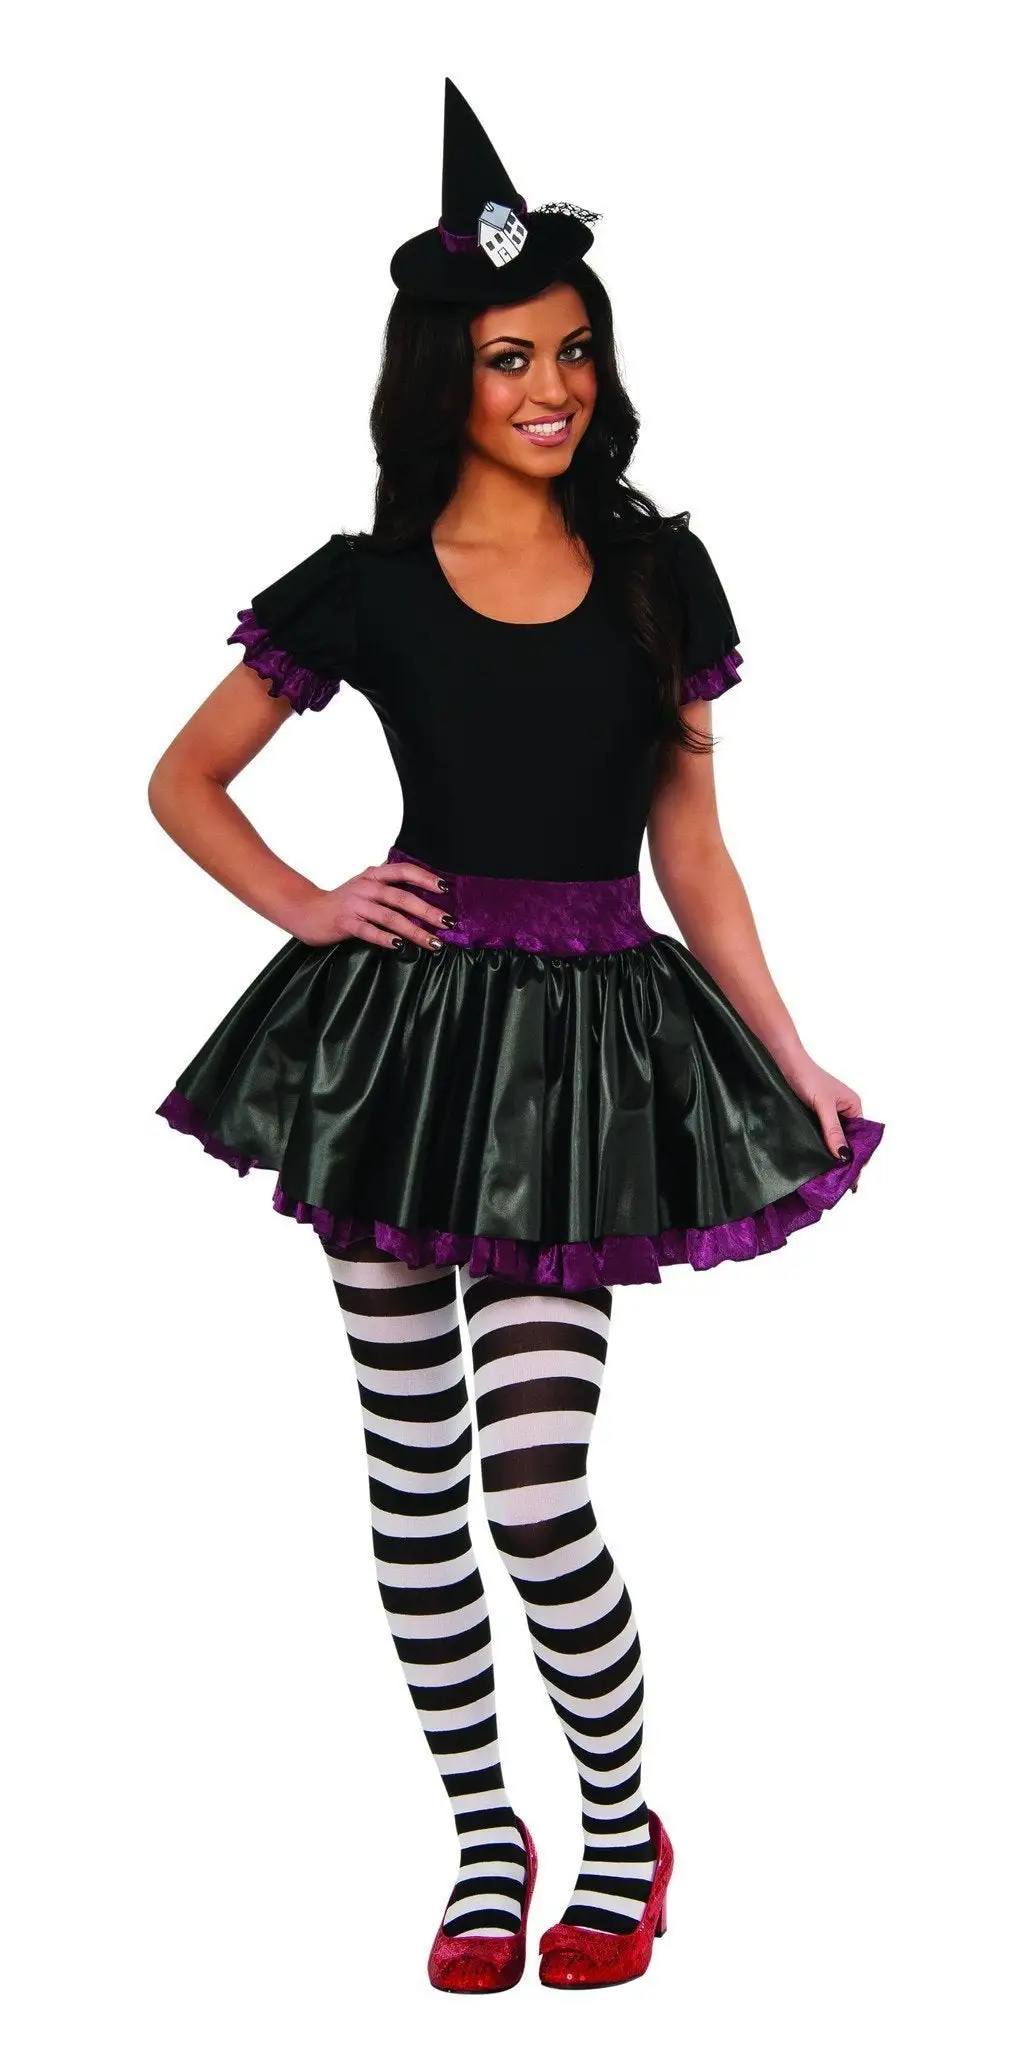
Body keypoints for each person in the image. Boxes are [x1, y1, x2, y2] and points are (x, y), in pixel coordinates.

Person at [149, 78, 884, 1994]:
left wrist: (790, 1051)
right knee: (414, 1482)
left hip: (585, 1063)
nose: (551, 388)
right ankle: (489, 1841)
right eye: (509, 359)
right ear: (443, 379)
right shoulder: (365, 585)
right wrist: (310, 903)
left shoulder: (656, 573)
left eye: (571, 351)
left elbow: (694, 850)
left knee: (537, 1490)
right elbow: (183, 780)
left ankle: (624, 1828)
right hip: (397, 1054)